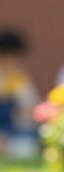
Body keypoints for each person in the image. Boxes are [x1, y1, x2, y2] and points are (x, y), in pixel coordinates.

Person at [0, 29, 39, 157]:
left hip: (14, 134)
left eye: (16, 60)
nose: (12, 64)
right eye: (7, 59)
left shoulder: (21, 81)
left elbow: (30, 112)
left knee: (29, 147)